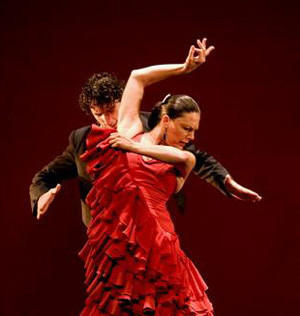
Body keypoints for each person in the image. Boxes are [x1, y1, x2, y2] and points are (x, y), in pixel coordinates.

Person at [78, 39, 261, 315]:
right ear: (166, 120)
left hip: (158, 244)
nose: (191, 137)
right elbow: (137, 77)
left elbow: (190, 158)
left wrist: (131, 147)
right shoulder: (129, 128)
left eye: (195, 131)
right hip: (121, 243)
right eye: (186, 128)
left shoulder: (183, 158)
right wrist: (185, 68)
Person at [29, 64, 260, 226]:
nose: (107, 121)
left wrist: (226, 180)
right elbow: (44, 177)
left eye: (111, 111)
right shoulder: (82, 140)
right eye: (98, 114)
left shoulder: (150, 125)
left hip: (146, 228)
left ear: (123, 100)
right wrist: (41, 198)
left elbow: (193, 156)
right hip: (104, 237)